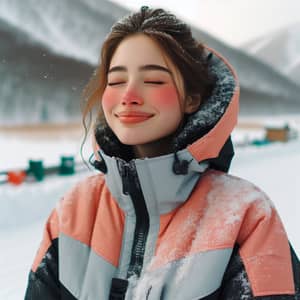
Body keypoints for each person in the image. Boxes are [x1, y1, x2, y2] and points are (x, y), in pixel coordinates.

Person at [25, 6, 299, 300]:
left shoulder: (246, 217)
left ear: (192, 98)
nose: (128, 97)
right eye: (116, 81)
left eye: (153, 81)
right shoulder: (73, 213)